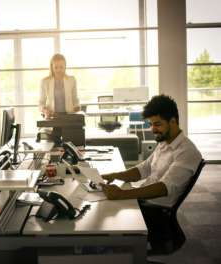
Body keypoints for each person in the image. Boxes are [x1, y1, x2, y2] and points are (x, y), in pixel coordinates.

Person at [100, 94, 202, 249]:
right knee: (103, 207)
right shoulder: (164, 142)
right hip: (144, 201)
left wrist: (122, 194)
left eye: (157, 124)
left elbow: (164, 188)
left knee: (106, 217)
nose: (153, 129)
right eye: (151, 124)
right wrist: (114, 176)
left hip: (155, 212)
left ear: (173, 121)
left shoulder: (187, 152)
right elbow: (144, 169)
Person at [39, 53, 80, 119]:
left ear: (65, 66)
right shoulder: (45, 81)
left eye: (61, 67)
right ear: (52, 67)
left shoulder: (72, 80)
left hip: (69, 116)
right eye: (56, 67)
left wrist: (77, 107)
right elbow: (41, 102)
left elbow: (75, 99)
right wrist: (45, 110)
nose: (59, 70)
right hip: (52, 117)